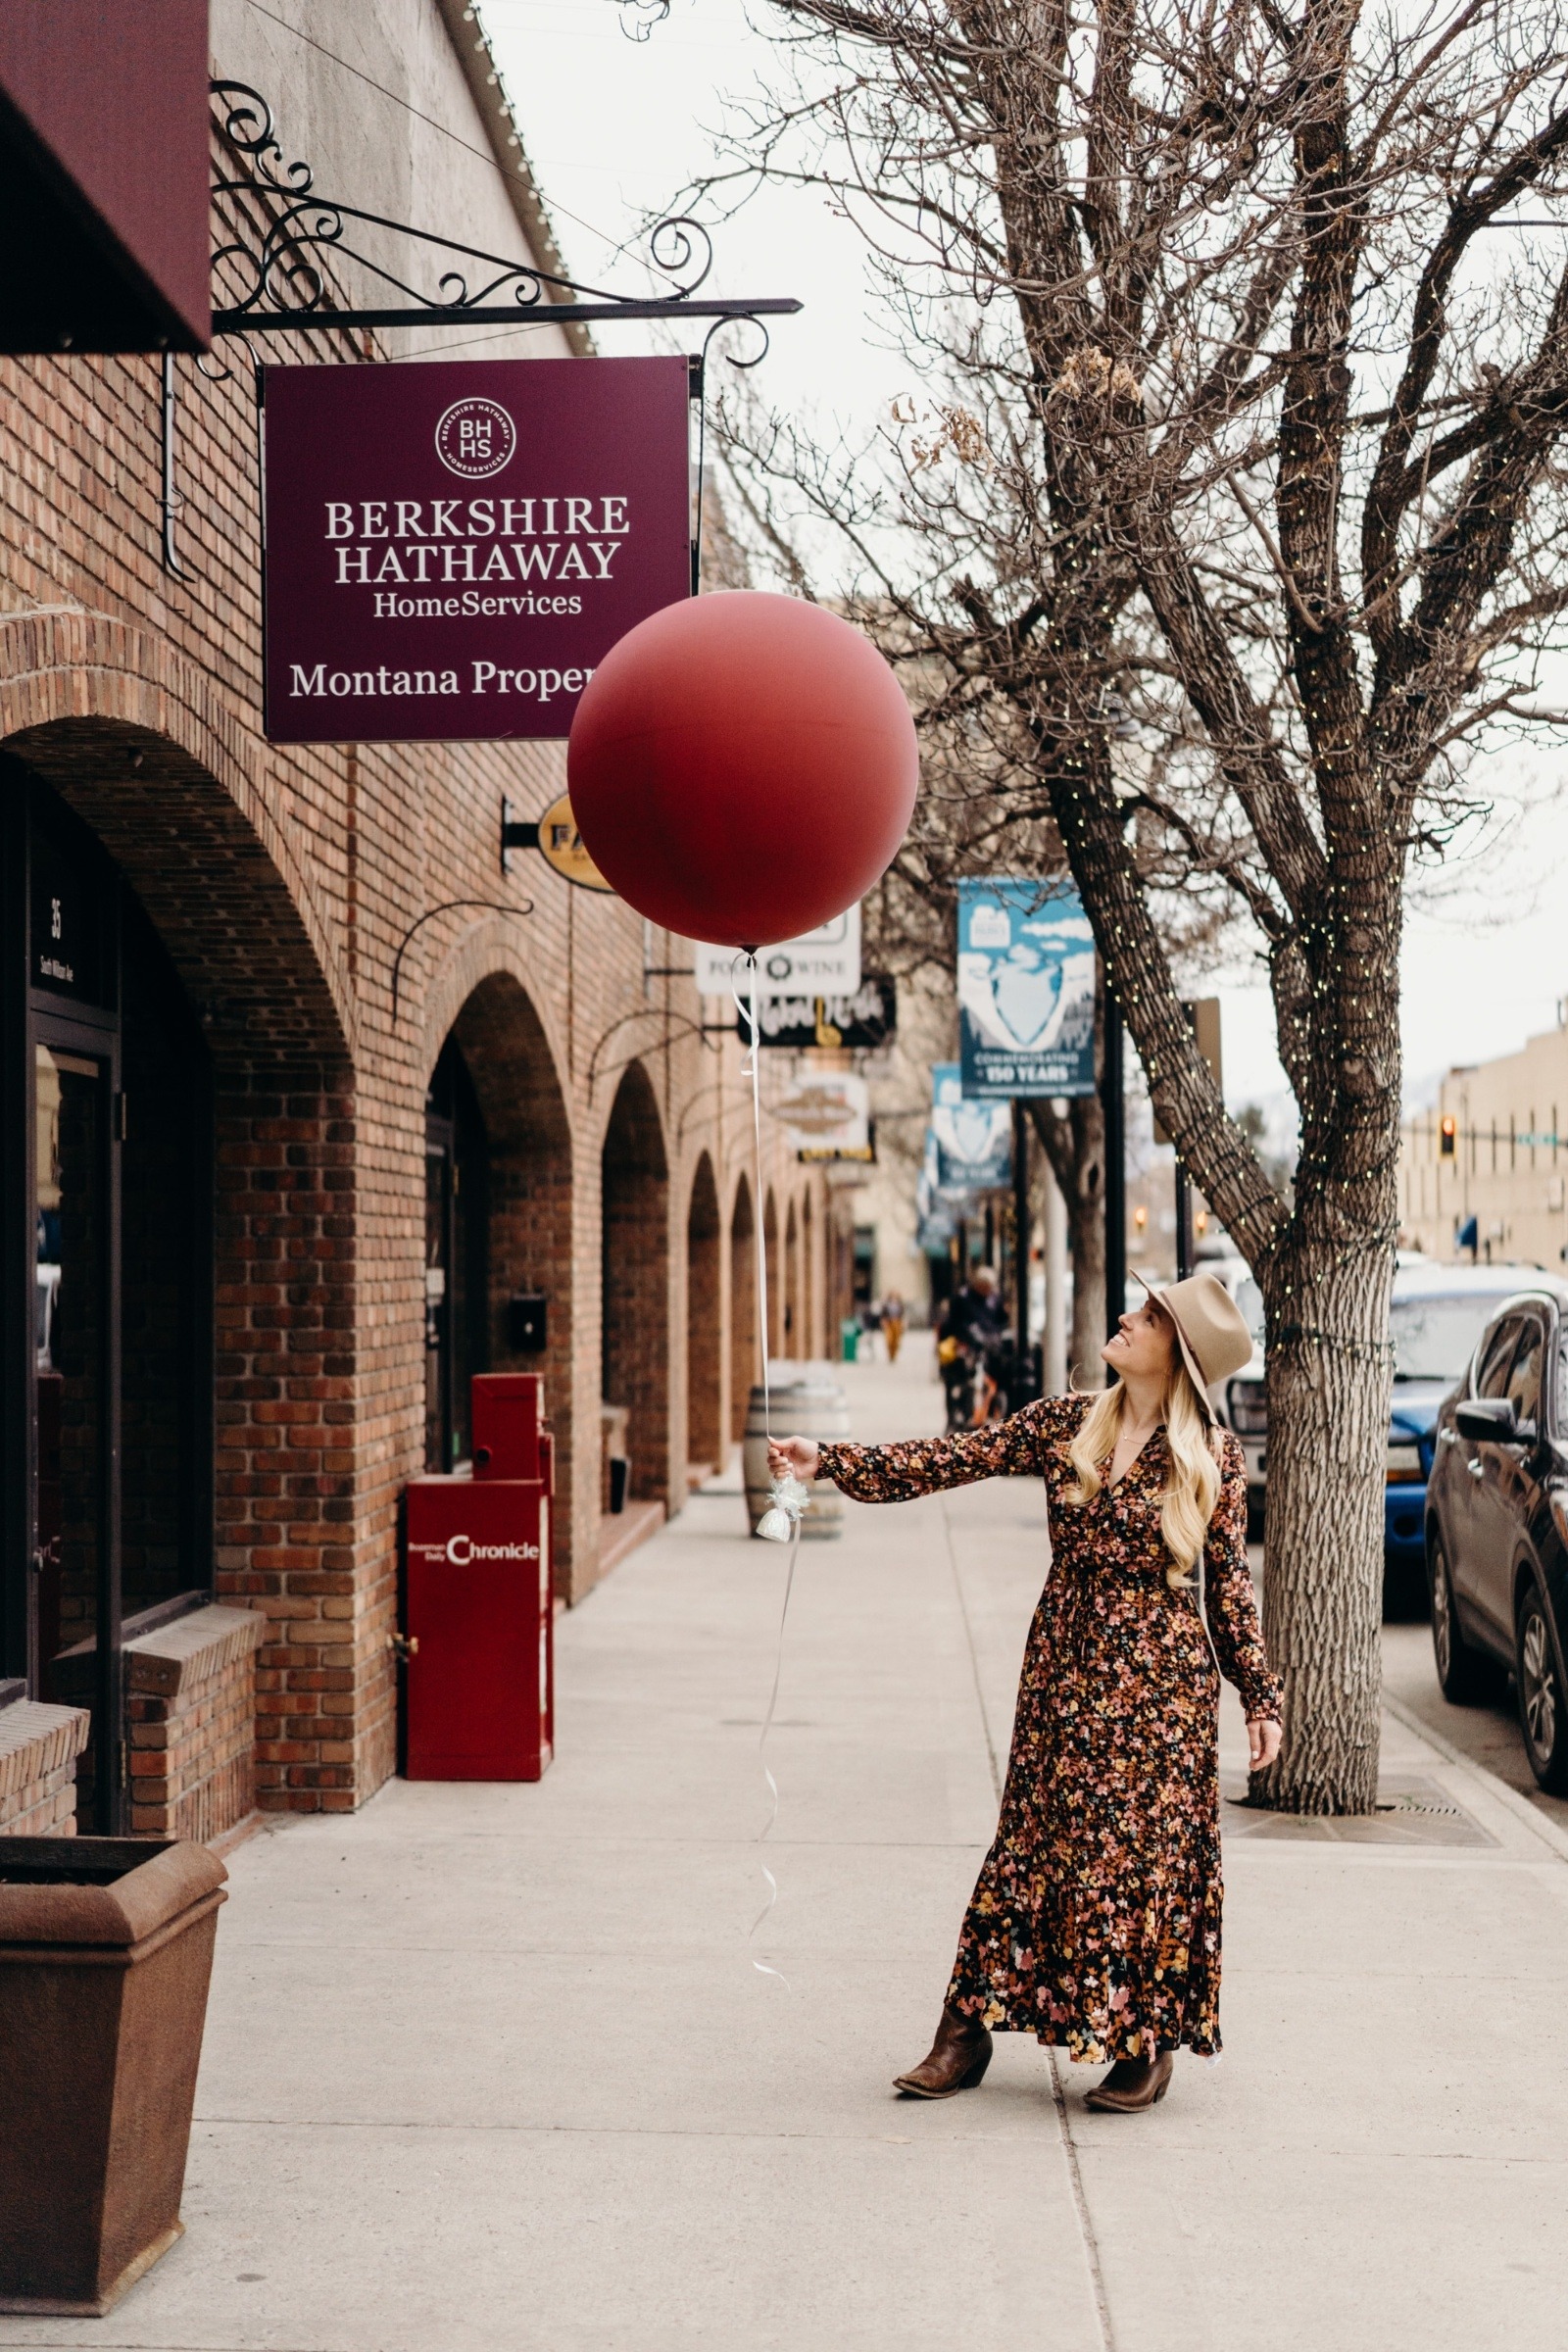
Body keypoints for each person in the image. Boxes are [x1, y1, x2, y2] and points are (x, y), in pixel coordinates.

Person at [768, 1270, 1282, 2115]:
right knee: (1031, 1844)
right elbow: (949, 1459)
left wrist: (1259, 1697)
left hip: (1162, 1693)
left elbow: (1228, 1590)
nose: (1125, 1316)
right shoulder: (1067, 1422)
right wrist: (828, 1462)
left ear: (1177, 1353)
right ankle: (964, 2031)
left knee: (1138, 1864)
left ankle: (1143, 2046)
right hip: (1063, 1672)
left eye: (1148, 1315)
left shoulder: (1211, 1459)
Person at [880, 1291, 906, 1363]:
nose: (894, 1298)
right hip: (889, 1323)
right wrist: (883, 1322)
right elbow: (883, 1314)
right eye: (893, 1296)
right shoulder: (886, 1305)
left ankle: (894, 1355)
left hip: (897, 1323)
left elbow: (902, 1315)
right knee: (889, 1340)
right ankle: (890, 1354)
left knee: (896, 1340)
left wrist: (903, 1323)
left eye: (895, 1296)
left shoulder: (900, 1305)